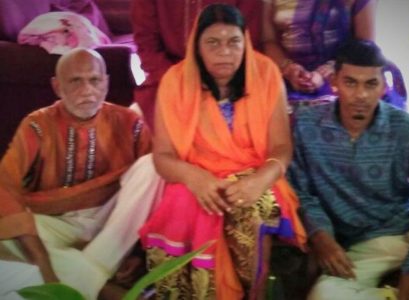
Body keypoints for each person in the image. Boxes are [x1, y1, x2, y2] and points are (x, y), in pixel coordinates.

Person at [138, 4, 307, 299]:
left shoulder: (266, 73)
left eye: (233, 42)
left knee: (255, 209)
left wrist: (260, 180)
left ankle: (255, 293)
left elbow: (281, 149)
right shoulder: (175, 82)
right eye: (212, 43)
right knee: (186, 203)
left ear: (246, 42)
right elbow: (162, 157)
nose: (224, 52)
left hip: (256, 174)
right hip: (197, 177)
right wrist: (195, 178)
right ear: (197, 46)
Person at [288, 39, 409, 300]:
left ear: (383, 87)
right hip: (365, 245)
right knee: (323, 296)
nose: (361, 95)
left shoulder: (404, 127)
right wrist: (321, 237)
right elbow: (302, 194)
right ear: (335, 83)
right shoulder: (307, 127)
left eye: (370, 84)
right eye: (351, 82)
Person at [0, 48, 163, 300]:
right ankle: (107, 286)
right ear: (57, 86)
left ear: (106, 83)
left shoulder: (130, 123)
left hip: (111, 219)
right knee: (7, 233)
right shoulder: (36, 125)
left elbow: (150, 197)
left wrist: (137, 253)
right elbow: (5, 188)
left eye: (94, 80)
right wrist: (41, 259)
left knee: (153, 166)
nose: (87, 90)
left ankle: (72, 281)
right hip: (55, 221)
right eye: (75, 81)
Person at [131, 0, 263, 129]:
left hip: (228, 76)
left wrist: (217, 81)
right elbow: (146, 44)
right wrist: (179, 81)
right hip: (169, 77)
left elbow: (248, 41)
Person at [261, 0, 407, 113]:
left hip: (348, 68)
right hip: (289, 76)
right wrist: (289, 68)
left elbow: (365, 46)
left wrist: (330, 69)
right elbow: (268, 40)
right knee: (272, 114)